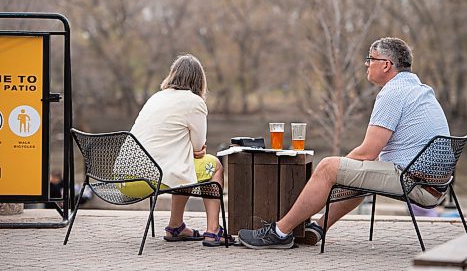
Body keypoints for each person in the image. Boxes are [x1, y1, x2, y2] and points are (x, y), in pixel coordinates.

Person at [238, 37, 450, 249]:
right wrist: (345, 170)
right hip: (434, 184)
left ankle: (279, 232)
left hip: (414, 183)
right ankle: (318, 228)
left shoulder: (393, 93)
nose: (367, 64)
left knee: (328, 167)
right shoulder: (420, 90)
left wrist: (334, 172)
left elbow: (368, 152)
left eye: (371, 59)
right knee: (355, 172)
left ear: (386, 65)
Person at [125, 54, 234, 247]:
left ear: (172, 75)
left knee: (184, 165)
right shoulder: (195, 102)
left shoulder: (156, 97)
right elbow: (199, 147)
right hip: (151, 178)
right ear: (199, 80)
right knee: (214, 166)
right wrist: (193, 150)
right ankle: (213, 231)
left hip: (125, 179)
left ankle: (175, 226)